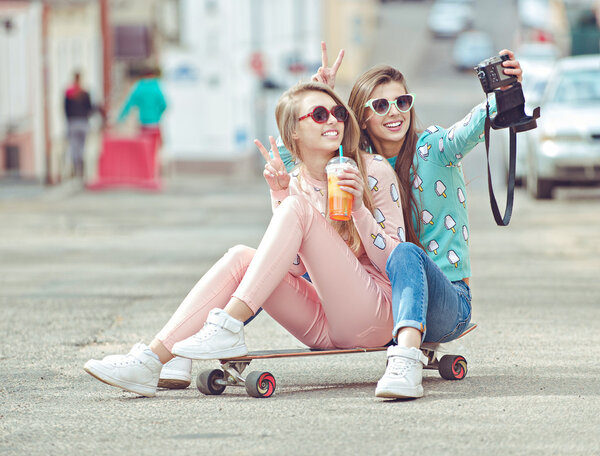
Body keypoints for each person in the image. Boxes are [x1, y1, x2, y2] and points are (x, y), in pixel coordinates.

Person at [83, 81, 405, 397]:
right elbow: (291, 269)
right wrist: (280, 192)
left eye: (338, 112)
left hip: (375, 315)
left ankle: (228, 325)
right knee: (241, 256)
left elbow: (399, 262)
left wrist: (360, 210)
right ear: (294, 130)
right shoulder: (295, 181)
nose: (333, 119)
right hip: (324, 324)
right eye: (319, 114)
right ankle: (150, 362)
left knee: (295, 209)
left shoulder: (372, 169)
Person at [291, 42, 522, 399]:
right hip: (380, 298)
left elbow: (472, 126)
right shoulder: (354, 166)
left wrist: (504, 91)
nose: (395, 112)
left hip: (448, 302)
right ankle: (205, 339)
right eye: (381, 105)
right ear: (362, 116)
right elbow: (297, 161)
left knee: (405, 253)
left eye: (403, 102)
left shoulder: (433, 149)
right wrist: (317, 96)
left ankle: (406, 362)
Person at [117, 66, 167, 151]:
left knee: (144, 150)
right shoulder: (156, 86)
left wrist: (120, 118)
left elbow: (129, 104)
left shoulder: (139, 87)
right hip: (155, 124)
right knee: (155, 149)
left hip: (143, 123)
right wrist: (157, 115)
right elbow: (164, 105)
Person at [64, 71, 94, 177]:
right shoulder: (85, 93)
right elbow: (90, 109)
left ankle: (75, 166)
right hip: (83, 122)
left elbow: (65, 109)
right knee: (82, 146)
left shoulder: (68, 93)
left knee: (73, 146)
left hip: (72, 122)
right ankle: (80, 167)